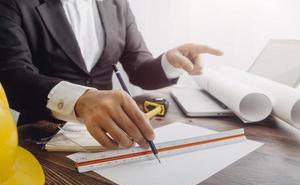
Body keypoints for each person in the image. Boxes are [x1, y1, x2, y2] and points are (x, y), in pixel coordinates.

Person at [0, 0, 222, 149]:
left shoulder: (117, 3)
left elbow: (139, 69)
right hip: (42, 137)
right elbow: (12, 75)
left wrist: (169, 61)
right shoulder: (11, 4)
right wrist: (80, 99)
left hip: (114, 135)